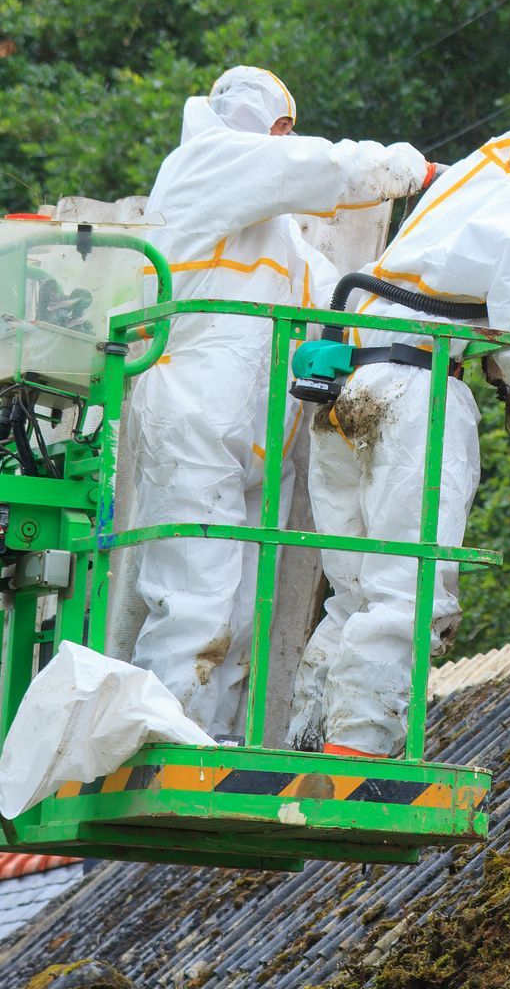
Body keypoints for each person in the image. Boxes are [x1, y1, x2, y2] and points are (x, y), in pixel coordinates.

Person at [287, 87, 510, 756]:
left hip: (348, 381)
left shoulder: (478, 175)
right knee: (408, 590)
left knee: (356, 591)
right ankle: (354, 760)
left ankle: (307, 751)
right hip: (414, 395)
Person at [128, 65, 428, 739]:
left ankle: (208, 742)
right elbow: (323, 169)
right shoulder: (207, 160)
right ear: (280, 127)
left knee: (236, 611)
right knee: (195, 600)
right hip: (197, 414)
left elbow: (339, 295)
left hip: (252, 432)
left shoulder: (275, 237)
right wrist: (412, 169)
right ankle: (163, 740)